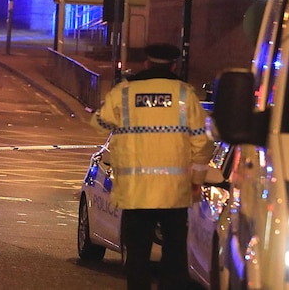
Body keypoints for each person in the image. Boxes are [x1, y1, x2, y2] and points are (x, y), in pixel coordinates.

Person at [90, 43, 213, 290]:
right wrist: (197, 181)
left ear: (146, 64)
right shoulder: (185, 96)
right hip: (174, 193)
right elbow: (202, 142)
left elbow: (98, 123)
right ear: (174, 65)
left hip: (136, 192)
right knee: (174, 255)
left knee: (137, 255)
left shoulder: (125, 93)